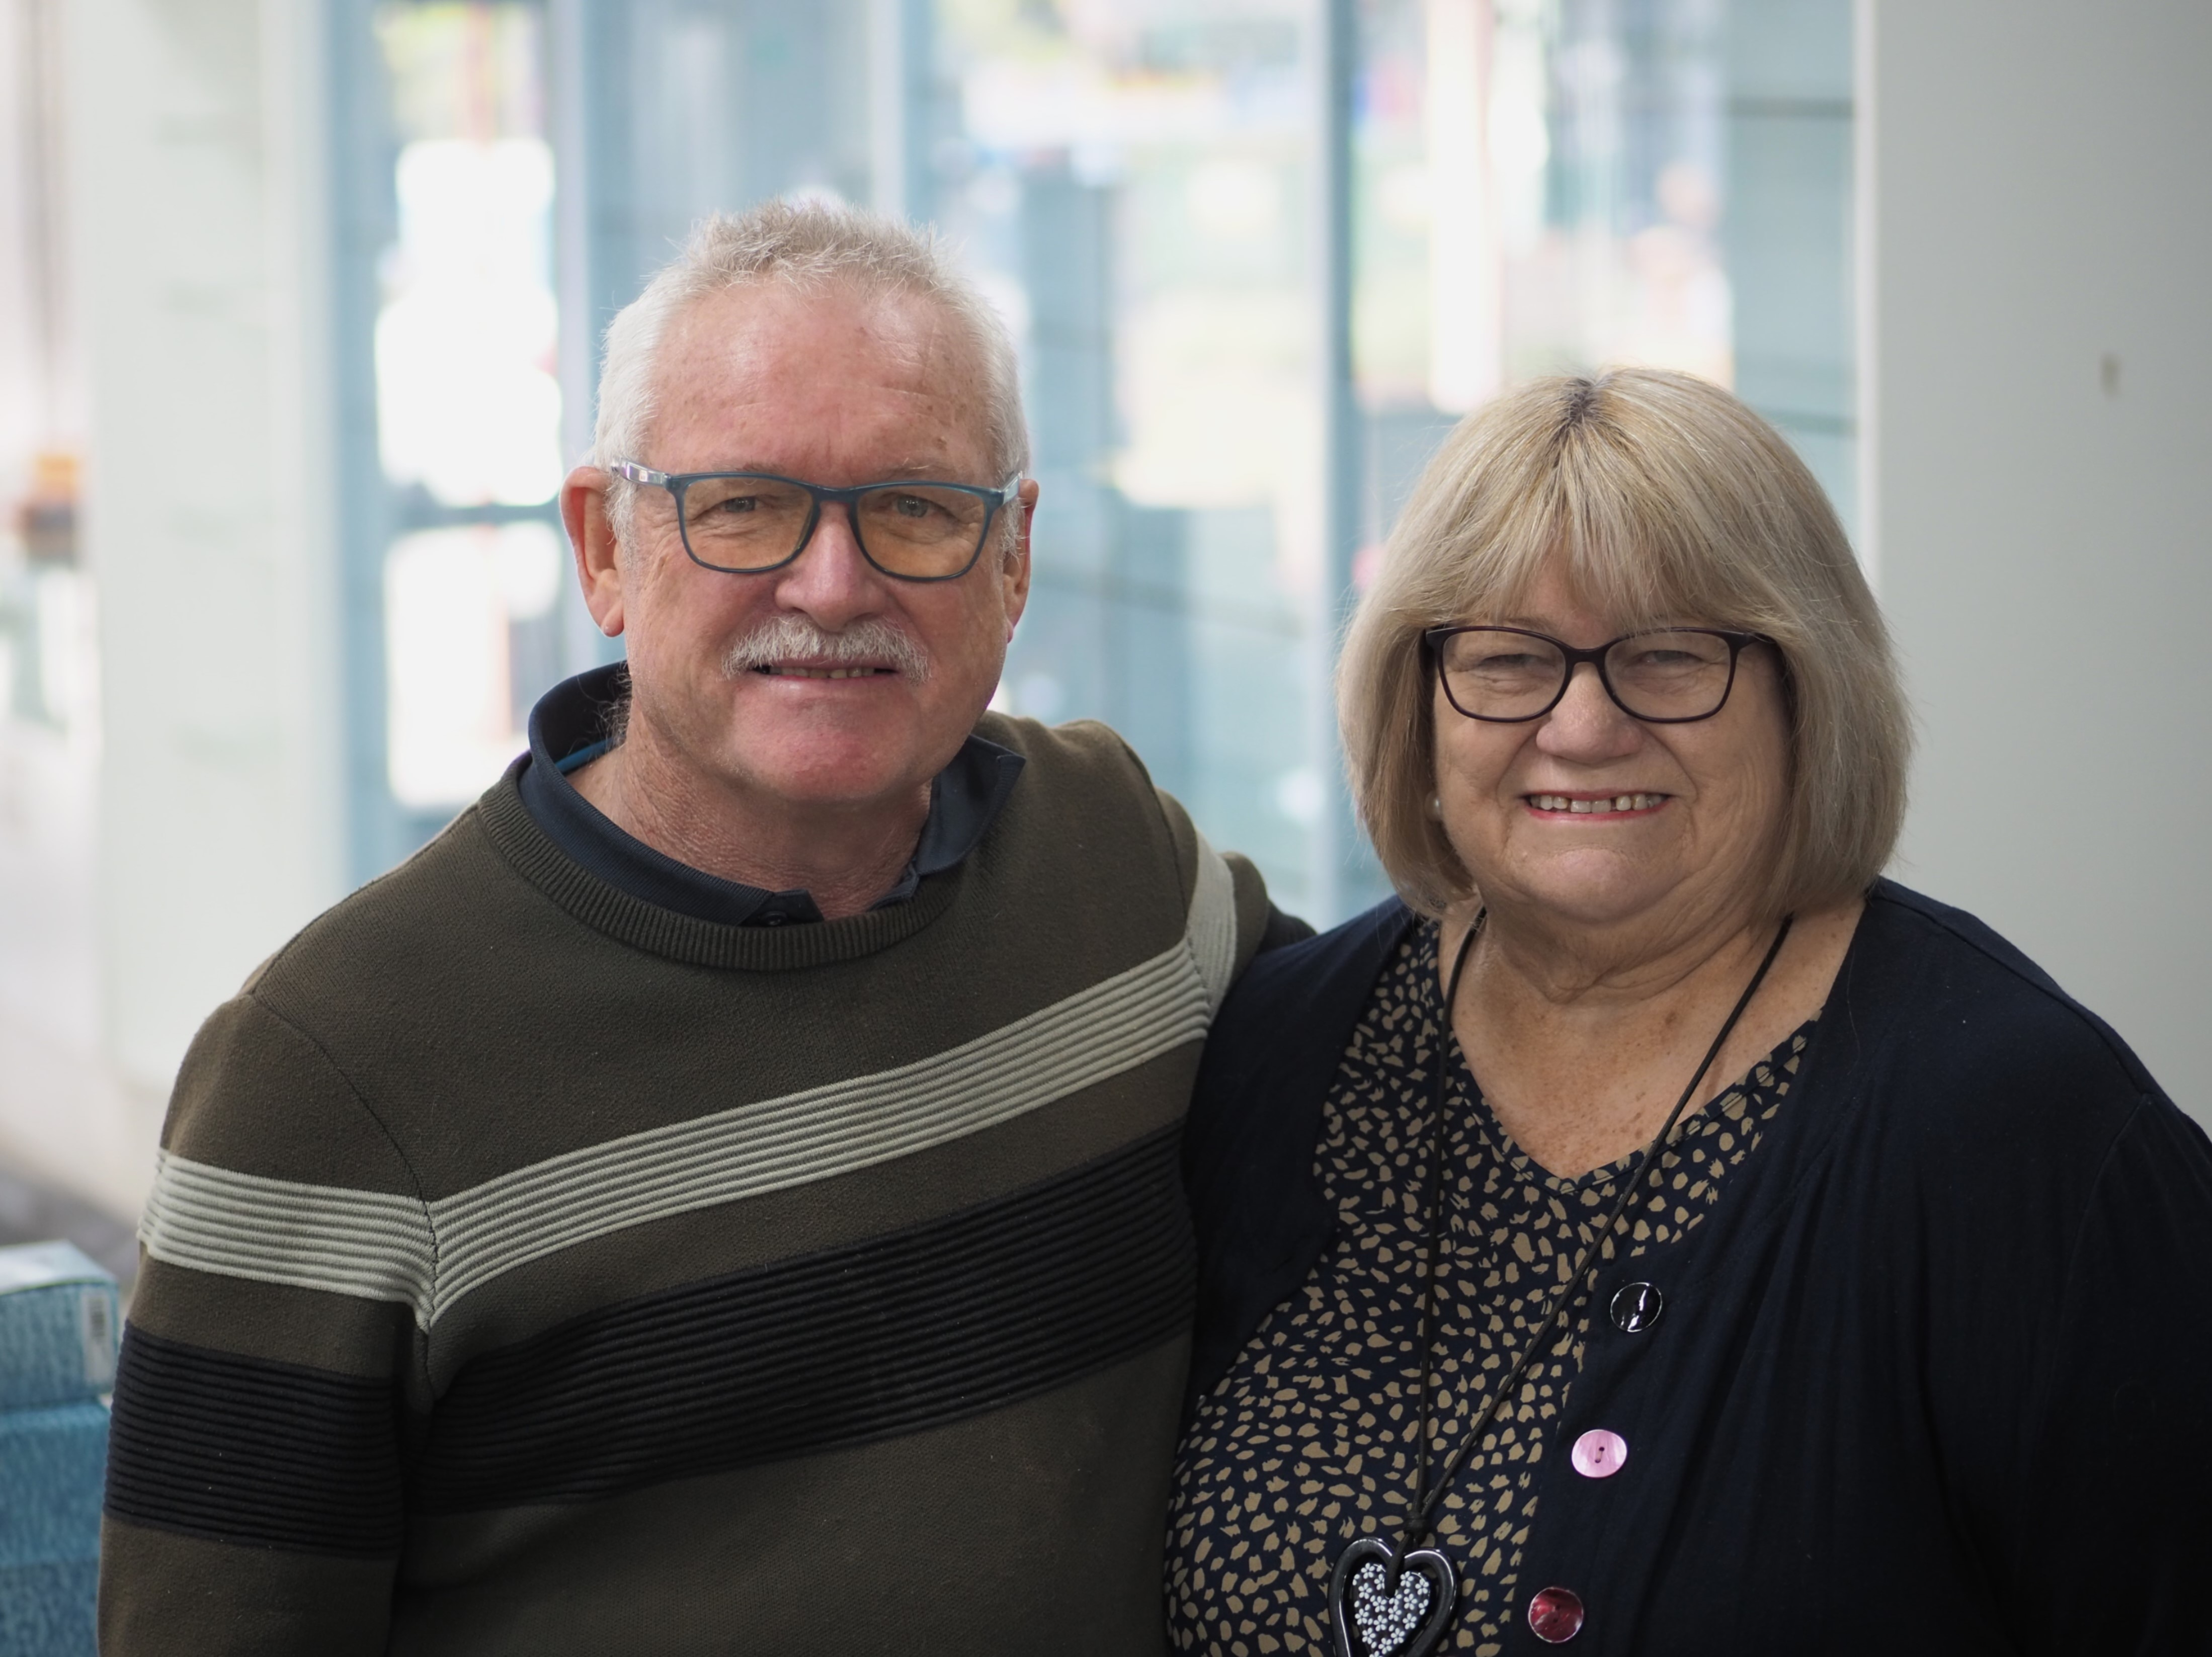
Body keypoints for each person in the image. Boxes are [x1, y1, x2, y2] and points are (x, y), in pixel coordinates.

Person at [100, 201, 1299, 1654]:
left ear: (1013, 558)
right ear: (605, 546)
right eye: (743, 504)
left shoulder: (1122, 869)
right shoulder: (329, 1071)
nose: (832, 584)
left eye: (915, 507)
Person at [1169, 369, 2212, 1655]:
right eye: (1508, 658)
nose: (1586, 724)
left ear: (1803, 694)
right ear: (1417, 702)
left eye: (1670, 656)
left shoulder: (2025, 1137)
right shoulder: (1280, 1050)